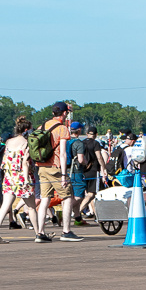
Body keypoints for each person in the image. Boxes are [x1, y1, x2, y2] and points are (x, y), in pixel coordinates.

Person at [0, 115, 47, 243]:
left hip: (9, 177)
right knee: (31, 207)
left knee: (5, 205)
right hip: (22, 177)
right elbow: (25, 163)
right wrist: (27, 179)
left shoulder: (9, 142)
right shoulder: (27, 143)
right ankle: (38, 233)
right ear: (27, 129)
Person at [33, 102, 83, 243]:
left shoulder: (42, 126)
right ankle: (66, 231)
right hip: (55, 167)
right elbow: (62, 154)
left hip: (41, 166)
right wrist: (63, 174)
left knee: (45, 199)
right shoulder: (62, 129)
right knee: (67, 197)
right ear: (64, 113)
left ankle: (40, 233)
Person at [66, 120, 103, 226]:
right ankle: (65, 212)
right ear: (79, 130)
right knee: (79, 196)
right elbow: (81, 159)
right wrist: (86, 163)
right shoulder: (79, 143)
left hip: (68, 171)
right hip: (77, 171)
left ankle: (78, 218)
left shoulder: (67, 141)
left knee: (72, 194)